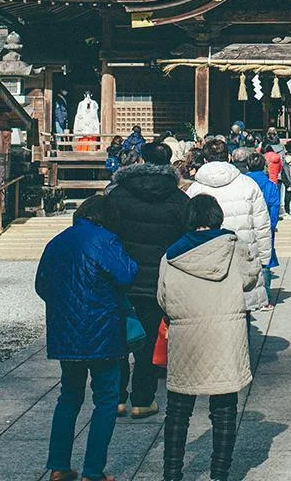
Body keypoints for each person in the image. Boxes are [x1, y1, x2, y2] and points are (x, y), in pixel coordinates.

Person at [35, 194, 138, 481]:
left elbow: (41, 284)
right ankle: (93, 470)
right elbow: (127, 274)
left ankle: (58, 465)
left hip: (67, 332)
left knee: (68, 396)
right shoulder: (106, 240)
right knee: (105, 399)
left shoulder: (57, 241)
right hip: (102, 328)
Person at [156, 195, 257, 481]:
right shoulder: (233, 248)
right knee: (224, 409)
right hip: (226, 335)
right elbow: (250, 279)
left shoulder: (172, 255)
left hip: (186, 338)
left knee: (178, 411)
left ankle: (172, 472)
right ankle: (220, 473)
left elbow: (162, 298)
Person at [106, 141, 189, 420]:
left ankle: (116, 398)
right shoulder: (179, 199)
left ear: (141, 160)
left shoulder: (118, 195)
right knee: (149, 339)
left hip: (122, 276)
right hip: (158, 279)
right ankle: (143, 399)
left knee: (118, 336)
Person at [186, 141, 270, 311]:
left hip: (206, 257)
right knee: (242, 310)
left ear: (205, 159)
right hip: (242, 255)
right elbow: (262, 225)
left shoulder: (194, 189)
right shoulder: (248, 184)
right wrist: (264, 257)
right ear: (229, 157)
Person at [240, 151, 280, 303]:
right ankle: (266, 296)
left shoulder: (243, 183)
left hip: (245, 223)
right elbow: (275, 206)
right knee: (265, 258)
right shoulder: (270, 185)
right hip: (265, 224)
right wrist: (272, 225)